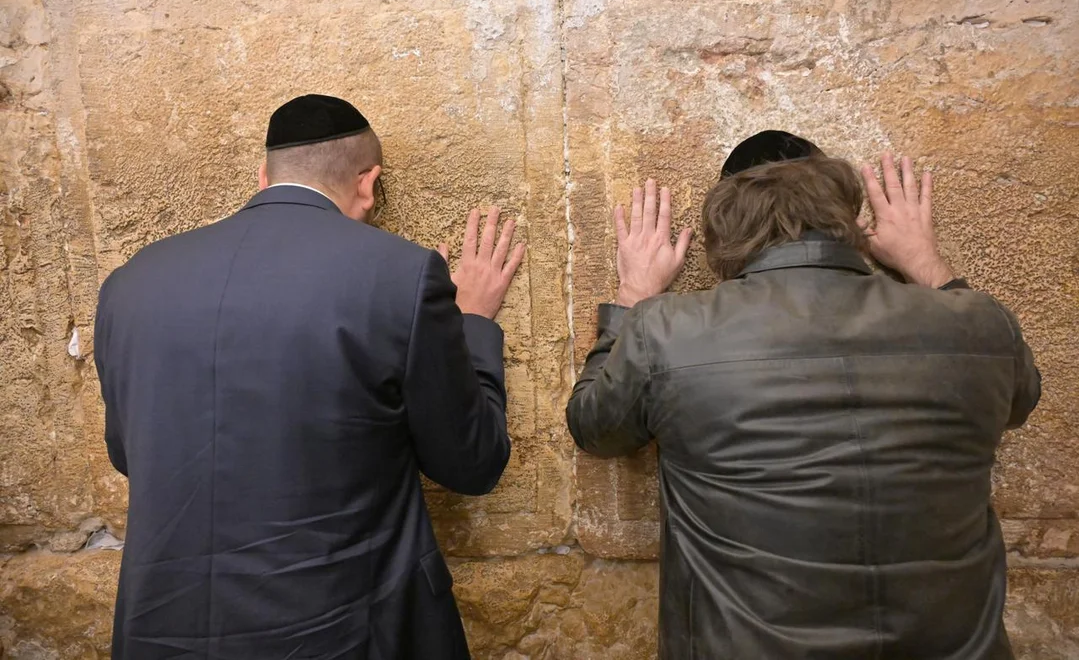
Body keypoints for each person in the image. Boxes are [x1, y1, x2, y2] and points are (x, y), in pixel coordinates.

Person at [566, 131, 1040, 660]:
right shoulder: (979, 324)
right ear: (848, 219)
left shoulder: (665, 330)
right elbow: (1021, 396)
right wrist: (928, 265)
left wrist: (633, 298)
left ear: (724, 231)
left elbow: (595, 428)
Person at [94, 94, 525, 659]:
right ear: (369, 183)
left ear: (263, 176)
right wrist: (471, 324)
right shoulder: (403, 274)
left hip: (162, 633)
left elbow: (130, 453)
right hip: (340, 632)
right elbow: (472, 462)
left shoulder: (130, 284)